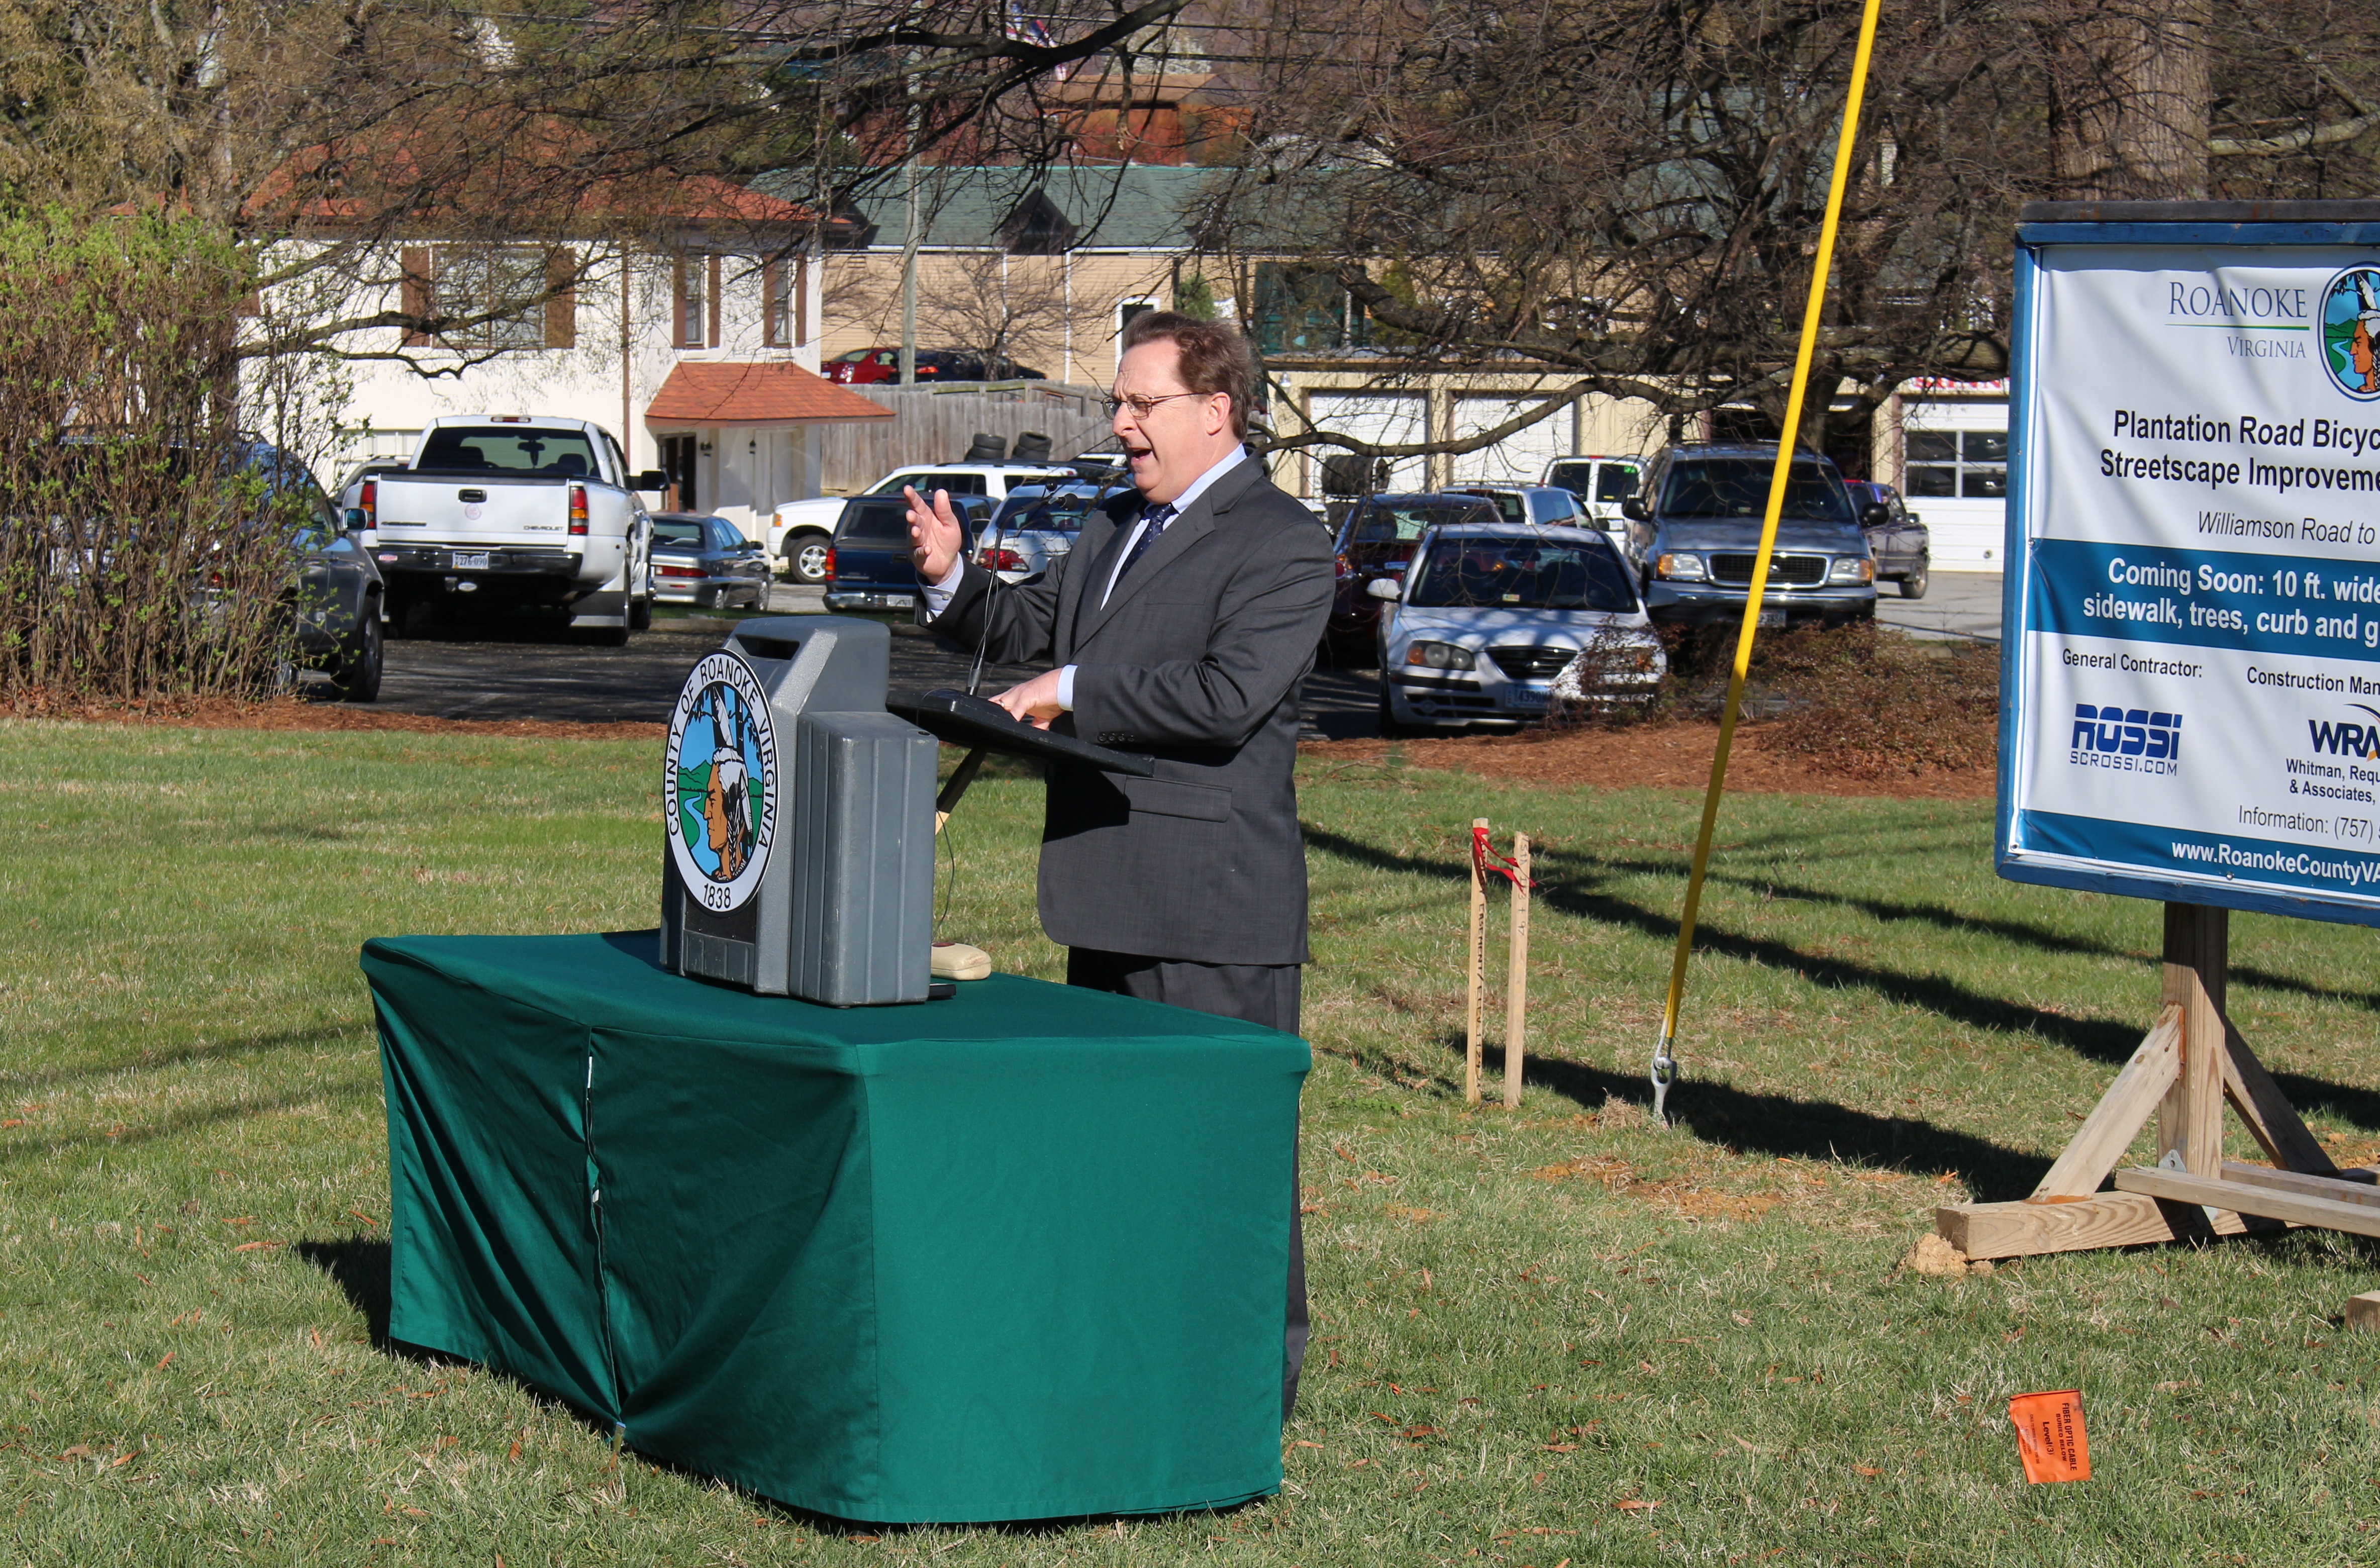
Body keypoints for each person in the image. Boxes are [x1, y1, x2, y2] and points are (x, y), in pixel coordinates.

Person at [904, 310, 1333, 1420]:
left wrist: (1076, 691)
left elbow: (1228, 698)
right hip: (1102, 893)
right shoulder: (1110, 526)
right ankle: (1124, 1370)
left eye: (1141, 404)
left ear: (1215, 411)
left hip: (1212, 912)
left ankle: (1242, 1393)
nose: (1121, 425)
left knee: (1222, 1165)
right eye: (1117, 403)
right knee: (1117, 1155)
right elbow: (1030, 630)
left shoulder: (1281, 541)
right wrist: (955, 579)